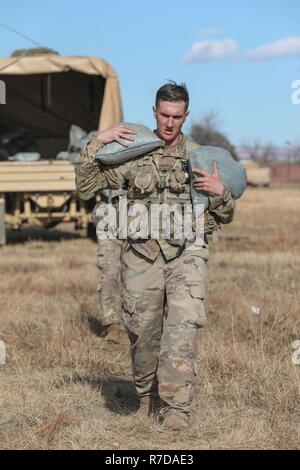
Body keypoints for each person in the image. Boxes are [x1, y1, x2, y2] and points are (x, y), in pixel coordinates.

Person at [75, 82, 235, 430]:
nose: (169, 122)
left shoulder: (201, 157)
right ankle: (147, 396)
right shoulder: (134, 153)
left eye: (177, 116)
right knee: (142, 332)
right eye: (164, 114)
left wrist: (221, 194)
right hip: (142, 256)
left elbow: (224, 215)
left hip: (186, 255)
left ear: (186, 116)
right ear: (154, 112)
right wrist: (99, 141)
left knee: (183, 326)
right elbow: (87, 186)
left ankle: (177, 409)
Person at [95, 190, 127, 344]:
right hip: (111, 218)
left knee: (134, 277)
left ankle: (132, 324)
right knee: (110, 273)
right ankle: (113, 324)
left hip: (143, 218)